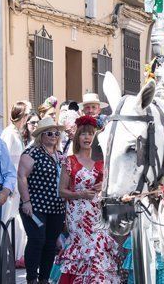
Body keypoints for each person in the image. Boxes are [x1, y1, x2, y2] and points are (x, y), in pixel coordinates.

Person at [56, 115, 119, 284]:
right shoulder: (69, 161)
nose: (87, 138)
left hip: (97, 214)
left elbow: (113, 189)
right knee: (82, 249)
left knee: (98, 248)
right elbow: (62, 191)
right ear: (78, 137)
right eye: (83, 134)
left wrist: (103, 188)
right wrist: (80, 194)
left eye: (91, 134)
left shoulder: (102, 162)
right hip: (77, 215)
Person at [18, 116, 66, 284]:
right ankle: (31, 278)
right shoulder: (31, 153)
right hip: (35, 205)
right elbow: (22, 177)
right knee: (37, 240)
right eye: (49, 133)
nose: (53, 136)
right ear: (41, 136)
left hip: (57, 207)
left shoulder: (60, 155)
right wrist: (26, 201)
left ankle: (44, 279)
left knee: (51, 243)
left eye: (56, 133)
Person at [0, 100, 32, 266]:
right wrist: (8, 184)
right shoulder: (9, 133)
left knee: (15, 218)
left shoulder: (18, 133)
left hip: (18, 180)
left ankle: (16, 253)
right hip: (11, 181)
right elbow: (3, 159)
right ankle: (4, 254)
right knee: (7, 218)